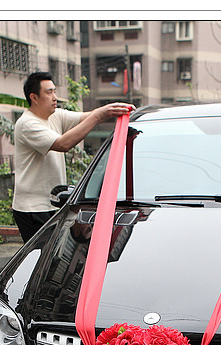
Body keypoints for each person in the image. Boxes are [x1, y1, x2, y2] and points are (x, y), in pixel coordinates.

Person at [13, 71, 133, 242]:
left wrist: (110, 111)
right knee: (44, 259)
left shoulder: (55, 115)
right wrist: (99, 115)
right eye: (49, 92)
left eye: (54, 91)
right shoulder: (27, 124)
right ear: (34, 97)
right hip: (33, 208)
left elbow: (86, 117)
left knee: (54, 256)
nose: (55, 97)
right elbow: (63, 144)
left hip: (52, 202)